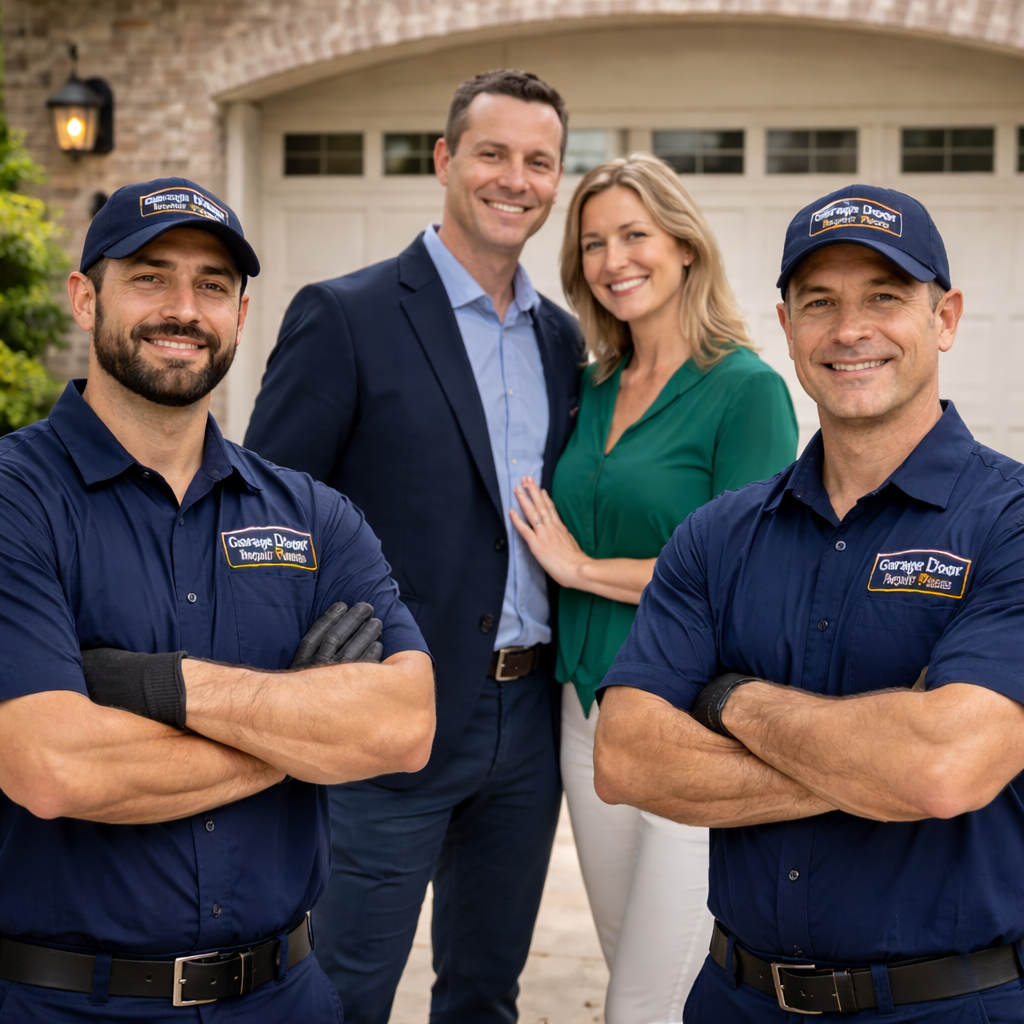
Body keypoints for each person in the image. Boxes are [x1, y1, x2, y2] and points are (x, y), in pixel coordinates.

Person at [0, 177, 435, 1022]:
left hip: (285, 996)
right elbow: (53, 767)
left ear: (240, 313)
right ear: (86, 299)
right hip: (69, 1004)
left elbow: (405, 725)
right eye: (150, 276)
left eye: (212, 285)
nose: (183, 308)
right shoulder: (17, 500)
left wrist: (154, 686)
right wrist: (302, 736)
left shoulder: (313, 514)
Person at [593, 184, 1024, 1022]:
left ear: (945, 318)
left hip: (950, 1004)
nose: (851, 329)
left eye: (885, 298)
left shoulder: (1008, 523)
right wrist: (880, 756)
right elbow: (628, 756)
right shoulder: (718, 537)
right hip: (737, 1000)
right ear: (786, 328)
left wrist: (729, 698)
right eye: (820, 302)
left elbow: (945, 768)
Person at [244, 70, 582, 1023]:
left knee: (485, 992)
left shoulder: (563, 341)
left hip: (527, 725)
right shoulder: (345, 315)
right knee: (344, 990)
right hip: (388, 711)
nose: (515, 179)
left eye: (539, 161)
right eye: (492, 153)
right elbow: (266, 519)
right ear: (444, 160)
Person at [510, 153, 797, 1024]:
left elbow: (746, 578)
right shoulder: (591, 387)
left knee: (644, 1001)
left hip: (686, 720)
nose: (612, 259)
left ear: (682, 246)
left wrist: (581, 570)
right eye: (593, 243)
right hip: (585, 717)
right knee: (634, 965)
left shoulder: (745, 391)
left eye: (634, 234)